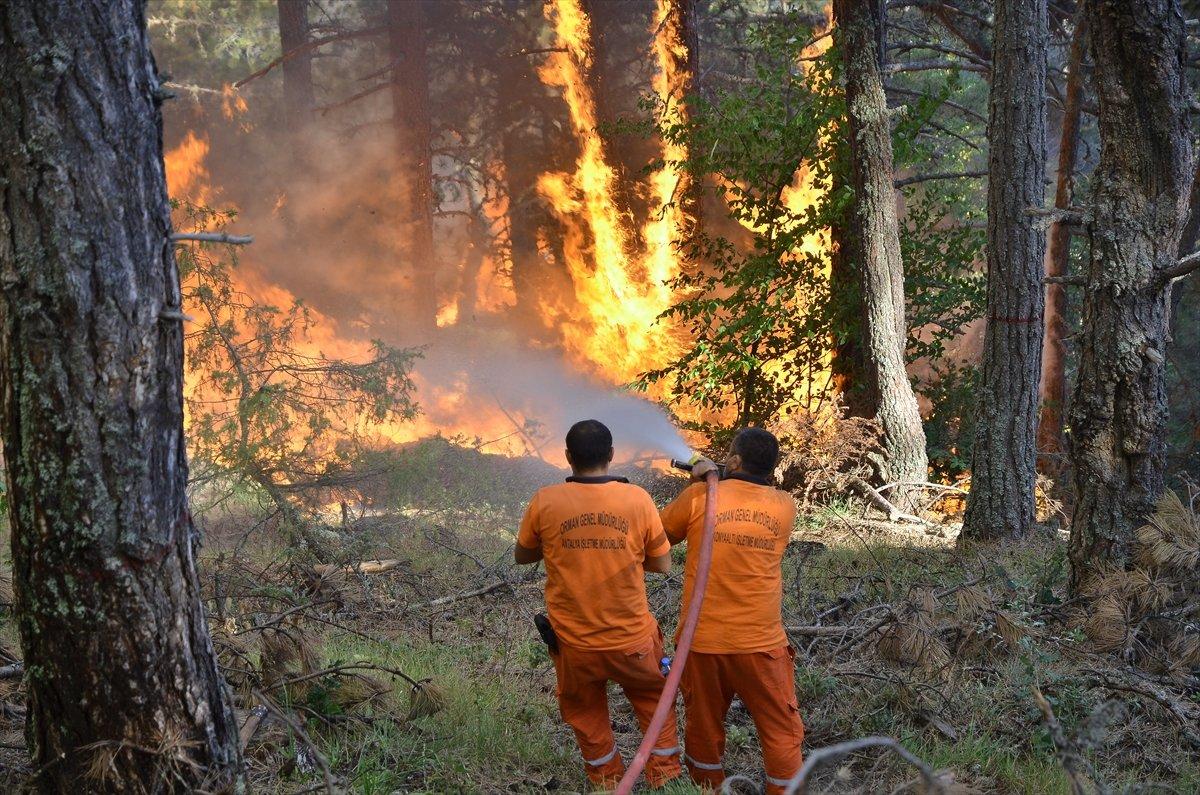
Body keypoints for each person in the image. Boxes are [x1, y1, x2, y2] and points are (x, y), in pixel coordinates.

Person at [514, 419, 681, 789]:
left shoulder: (546, 500)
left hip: (574, 645)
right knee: (654, 701)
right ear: (611, 455)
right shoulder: (637, 499)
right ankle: (665, 779)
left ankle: (607, 780)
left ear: (568, 457)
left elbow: (523, 556)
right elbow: (662, 564)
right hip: (633, 641)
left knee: (586, 714)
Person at [660, 428, 803, 794]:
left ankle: (707, 789)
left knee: (703, 729)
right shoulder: (784, 506)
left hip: (702, 642)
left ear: (735, 461)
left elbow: (659, 537)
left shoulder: (698, 497)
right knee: (781, 732)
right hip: (761, 645)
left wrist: (705, 479)